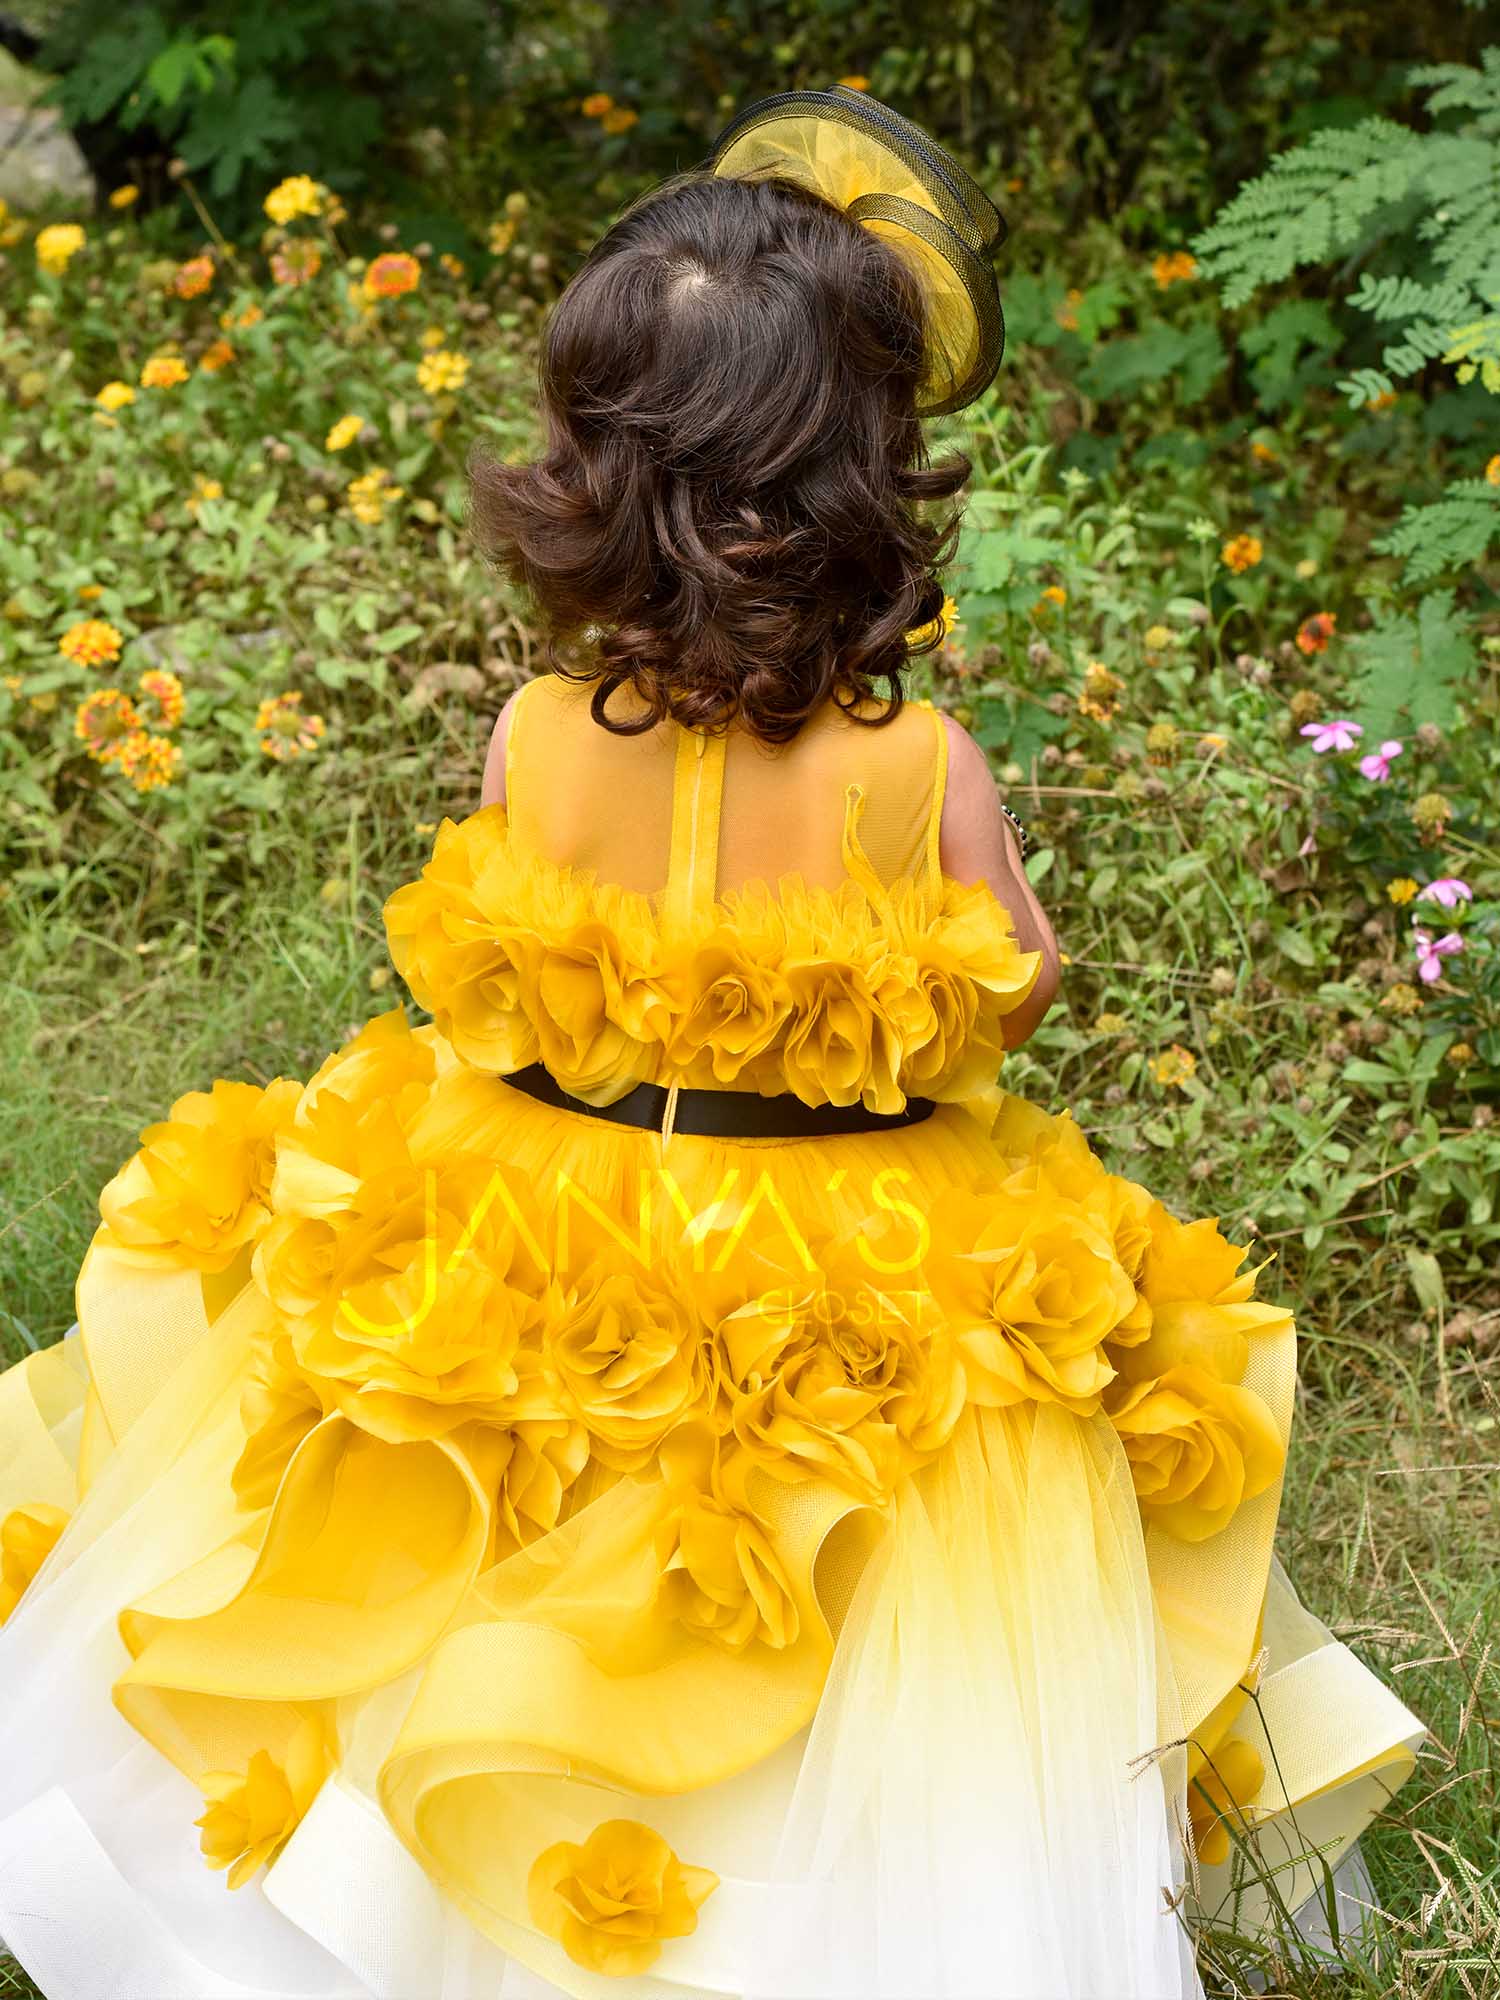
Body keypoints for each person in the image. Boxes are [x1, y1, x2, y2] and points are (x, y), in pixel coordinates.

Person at [0, 86, 1422, 2000]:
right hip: (843, 1238)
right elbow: (1009, 980)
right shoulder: (918, 763)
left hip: (535, 1215)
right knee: (869, 1581)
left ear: (591, 477)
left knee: (494, 1536)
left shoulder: (534, 730)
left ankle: (455, 1900)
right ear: (866, 483)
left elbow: (494, 964)